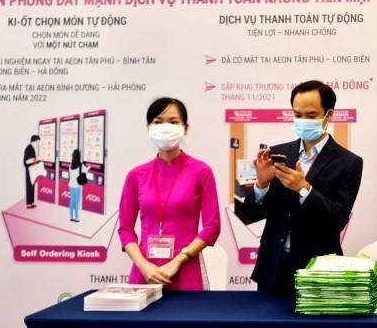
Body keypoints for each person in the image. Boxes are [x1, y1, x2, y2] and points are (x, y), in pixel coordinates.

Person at [242, 80, 363, 294]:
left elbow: (338, 219)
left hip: (318, 270)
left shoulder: (348, 162)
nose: (303, 121)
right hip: (273, 269)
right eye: (298, 115)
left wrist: (304, 189)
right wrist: (261, 185)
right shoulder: (276, 153)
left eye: (311, 115)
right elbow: (249, 214)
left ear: (329, 115)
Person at [118, 97, 221, 290]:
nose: (165, 127)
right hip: (145, 273)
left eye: (173, 122)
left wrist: (179, 260)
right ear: (149, 127)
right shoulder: (136, 175)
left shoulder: (201, 172)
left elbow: (212, 226)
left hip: (186, 270)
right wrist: (143, 265)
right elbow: (125, 229)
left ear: (185, 128)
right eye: (158, 122)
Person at [67, 149, 89, 222]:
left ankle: (71, 217)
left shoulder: (70, 165)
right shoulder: (81, 165)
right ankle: (76, 218)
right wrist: (89, 167)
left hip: (71, 185)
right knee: (76, 202)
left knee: (71, 201)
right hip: (77, 186)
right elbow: (86, 170)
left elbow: (70, 173)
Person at [23, 135, 41, 209]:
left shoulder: (32, 148)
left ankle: (31, 202)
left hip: (32, 170)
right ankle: (28, 204)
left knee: (32, 185)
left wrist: (37, 161)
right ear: (35, 141)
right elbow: (25, 162)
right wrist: (36, 160)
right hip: (29, 170)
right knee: (29, 186)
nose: (38, 143)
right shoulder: (28, 148)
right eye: (38, 142)